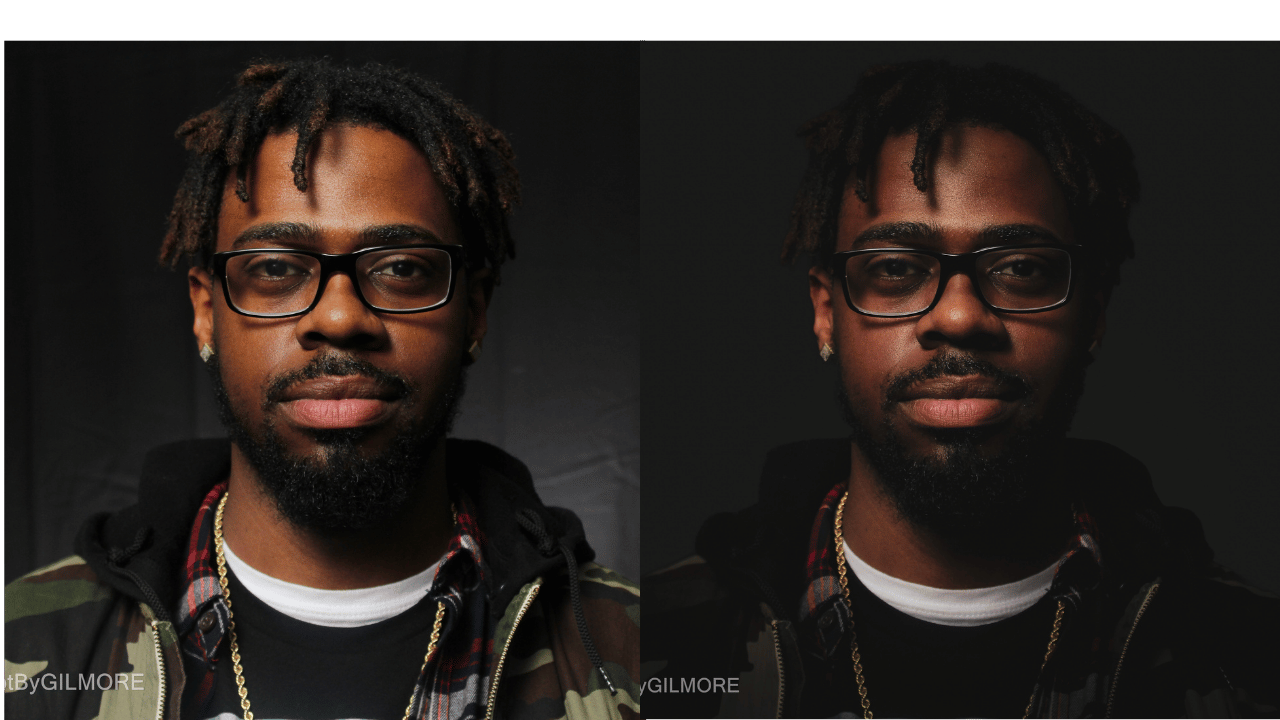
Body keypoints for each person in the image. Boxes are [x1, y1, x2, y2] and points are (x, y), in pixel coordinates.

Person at [5, 59, 639, 720]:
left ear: (473, 312)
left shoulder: (637, 652)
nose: (339, 318)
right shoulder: (28, 646)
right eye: (275, 268)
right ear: (205, 313)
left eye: (400, 267)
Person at [643, 60, 1277, 718]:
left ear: (1094, 313)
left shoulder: (1250, 658)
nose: (958, 316)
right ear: (826, 311)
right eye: (894, 268)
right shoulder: (660, 643)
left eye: (1022, 267)